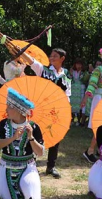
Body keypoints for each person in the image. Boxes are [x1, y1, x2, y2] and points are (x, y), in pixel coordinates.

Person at [20, 47, 70, 178]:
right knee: (36, 135)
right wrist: (21, 52)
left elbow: (67, 95)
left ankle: (51, 166)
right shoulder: (44, 70)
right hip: (41, 108)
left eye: (55, 56)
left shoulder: (66, 75)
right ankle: (31, 164)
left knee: (55, 137)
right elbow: (32, 62)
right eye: (51, 55)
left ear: (62, 59)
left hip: (57, 110)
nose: (51, 58)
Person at [0, 88, 45, 199]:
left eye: (9, 107)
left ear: (18, 110)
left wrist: (31, 137)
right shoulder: (3, 124)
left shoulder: (33, 127)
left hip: (27, 167)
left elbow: (40, 152)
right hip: (5, 167)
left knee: (32, 195)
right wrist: (13, 138)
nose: (6, 110)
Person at [69, 58, 89, 126]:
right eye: (77, 64)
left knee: (80, 104)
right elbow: (69, 80)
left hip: (81, 89)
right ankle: (72, 119)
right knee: (72, 104)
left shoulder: (84, 72)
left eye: (80, 64)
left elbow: (84, 80)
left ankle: (79, 119)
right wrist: (71, 74)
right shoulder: (72, 71)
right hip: (73, 89)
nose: (78, 66)